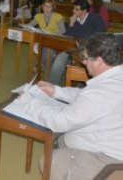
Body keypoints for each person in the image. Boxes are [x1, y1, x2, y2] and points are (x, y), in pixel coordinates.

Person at [20, 33, 123, 180]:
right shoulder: (116, 75)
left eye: (86, 58)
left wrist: (29, 101)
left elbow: (60, 122)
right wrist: (57, 91)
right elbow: (88, 97)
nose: (83, 62)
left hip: (108, 159)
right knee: (62, 138)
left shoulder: (97, 95)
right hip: (114, 142)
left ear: (99, 61)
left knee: (49, 162)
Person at [48, 0, 106, 85]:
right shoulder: (73, 20)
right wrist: (71, 24)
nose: (74, 11)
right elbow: (67, 37)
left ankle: (82, 87)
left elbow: (102, 35)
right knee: (58, 62)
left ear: (85, 10)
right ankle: (52, 87)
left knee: (82, 70)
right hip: (72, 50)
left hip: (89, 52)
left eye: (77, 9)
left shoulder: (95, 18)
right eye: (73, 8)